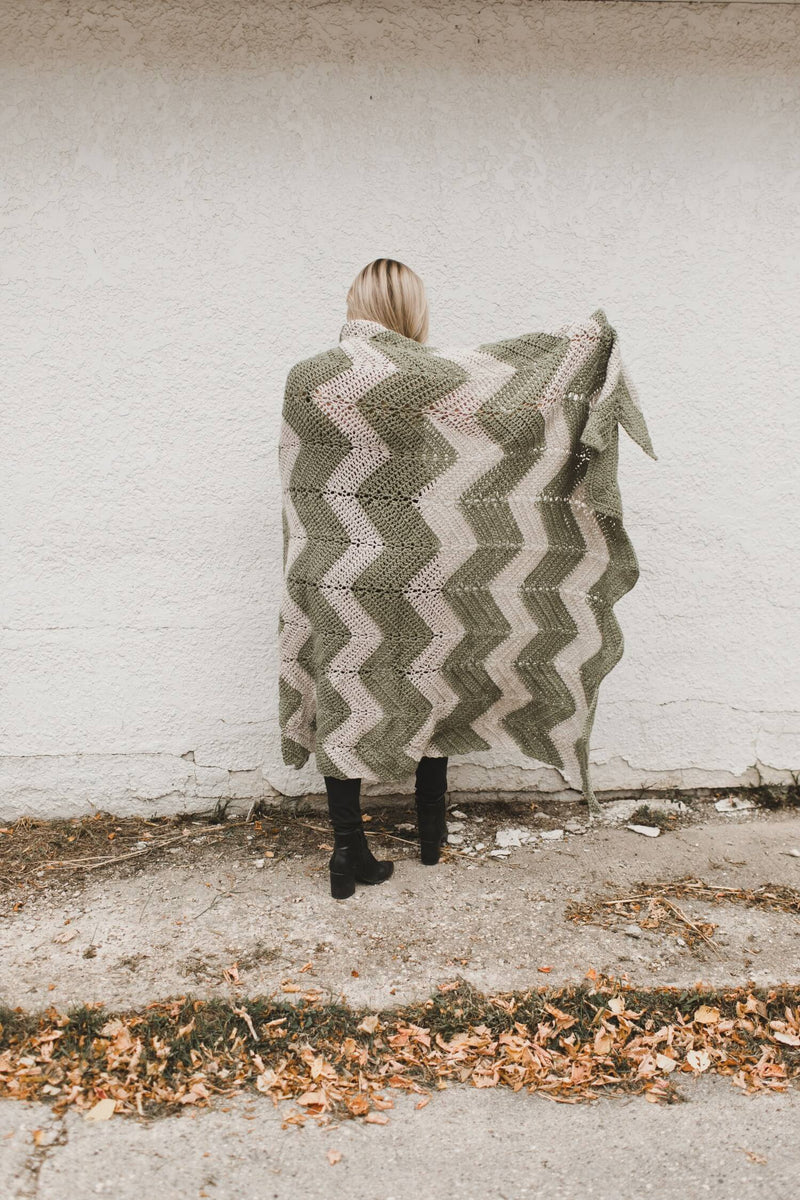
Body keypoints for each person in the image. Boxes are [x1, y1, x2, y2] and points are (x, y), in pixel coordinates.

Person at [321, 260, 447, 899]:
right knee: (431, 683)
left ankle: (349, 853)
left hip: (334, 570)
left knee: (344, 699)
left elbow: (305, 485)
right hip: (423, 564)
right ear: (411, 308)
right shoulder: (437, 378)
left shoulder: (309, 378)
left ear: (356, 302)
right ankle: (431, 837)